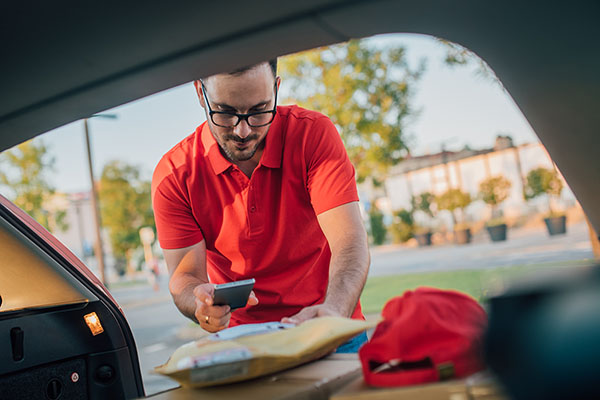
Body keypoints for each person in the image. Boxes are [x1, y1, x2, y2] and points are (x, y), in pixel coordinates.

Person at [151, 59, 370, 352]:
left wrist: (333, 312)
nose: (243, 131)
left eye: (258, 111)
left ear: (276, 89)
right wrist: (199, 303)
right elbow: (185, 276)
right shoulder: (174, 174)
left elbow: (350, 243)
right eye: (226, 113)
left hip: (331, 324)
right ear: (200, 93)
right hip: (245, 342)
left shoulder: (313, 135)